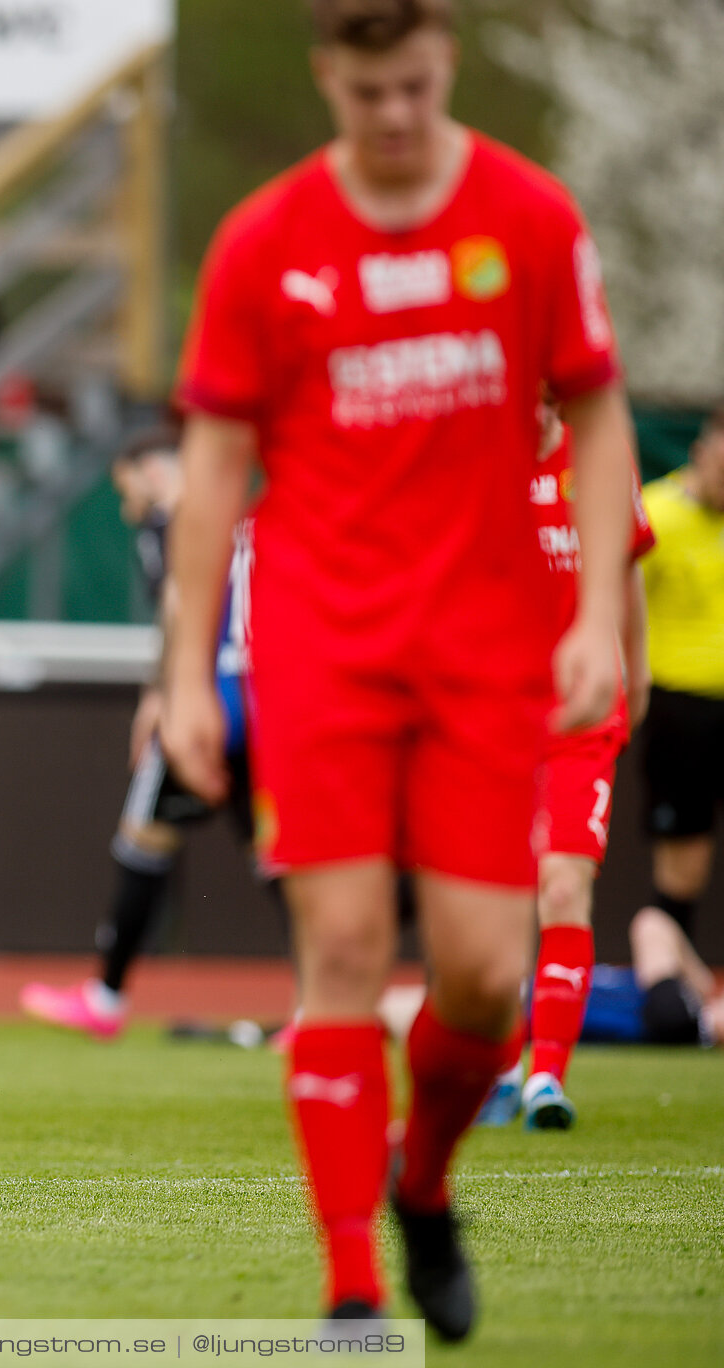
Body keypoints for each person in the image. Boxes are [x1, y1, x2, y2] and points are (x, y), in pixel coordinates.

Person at [160, 0, 637, 1339]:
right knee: (348, 951)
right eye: (369, 93)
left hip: (487, 659)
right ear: (330, 78)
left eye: (416, 89)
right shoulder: (265, 243)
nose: (393, 118)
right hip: (323, 653)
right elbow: (210, 473)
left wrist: (599, 612)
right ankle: (352, 1288)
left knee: (484, 980)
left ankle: (421, 1188)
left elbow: (597, 414)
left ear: (447, 69)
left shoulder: (531, 219)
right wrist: (189, 672)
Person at [20, 427, 265, 1038]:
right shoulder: (242, 518)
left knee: (141, 843)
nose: (130, 509)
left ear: (154, 473)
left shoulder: (169, 524)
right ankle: (325, 1005)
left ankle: (106, 998)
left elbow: (182, 606)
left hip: (205, 705)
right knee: (276, 856)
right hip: (265, 699)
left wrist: (162, 696)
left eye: (129, 491)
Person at [476, 408, 655, 1130]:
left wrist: (636, 677)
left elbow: (627, 579)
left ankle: (545, 1076)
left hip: (582, 720)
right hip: (495, 718)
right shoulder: (480, 460)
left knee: (562, 882)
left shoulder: (602, 459)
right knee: (492, 902)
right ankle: (493, 1067)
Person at [383, 906, 723, 1050]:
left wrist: (701, 984)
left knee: (397, 1015)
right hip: (523, 998)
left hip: (517, 1005)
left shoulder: (679, 1015)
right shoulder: (675, 999)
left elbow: (650, 924)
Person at [636, 406, 724, 947]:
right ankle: (672, 987)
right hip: (679, 711)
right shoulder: (654, 516)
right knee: (683, 856)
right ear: (699, 453)